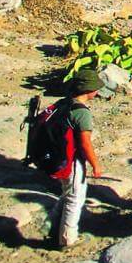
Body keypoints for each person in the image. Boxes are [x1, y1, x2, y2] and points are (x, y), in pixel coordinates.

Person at [49, 68, 104, 249]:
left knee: (67, 195)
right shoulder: (82, 113)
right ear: (90, 90)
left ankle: (53, 229)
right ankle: (66, 240)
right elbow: (85, 144)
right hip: (72, 162)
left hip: (58, 158)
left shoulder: (63, 103)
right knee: (75, 199)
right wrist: (95, 165)